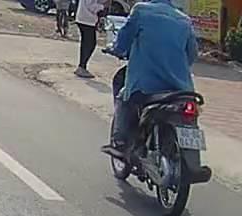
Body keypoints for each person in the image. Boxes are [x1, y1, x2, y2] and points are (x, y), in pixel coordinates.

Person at [102, 0, 197, 157]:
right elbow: (192, 55)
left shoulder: (141, 11)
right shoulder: (184, 20)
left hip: (146, 86)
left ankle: (121, 143)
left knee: (123, 96)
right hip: (181, 88)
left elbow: (123, 41)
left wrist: (114, 49)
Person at [74, 0, 106, 78]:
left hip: (85, 19)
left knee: (86, 43)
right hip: (86, 19)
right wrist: (101, 7)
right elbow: (90, 5)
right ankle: (82, 67)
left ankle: (82, 66)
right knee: (90, 44)